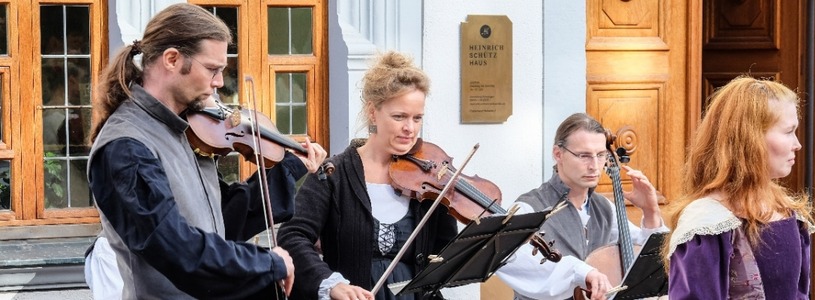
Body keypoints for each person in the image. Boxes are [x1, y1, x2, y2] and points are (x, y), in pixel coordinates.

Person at [84, 3, 327, 299]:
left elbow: (220, 219)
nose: (219, 82)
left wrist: (288, 168)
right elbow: (176, 248)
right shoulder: (126, 146)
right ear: (172, 59)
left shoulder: (185, 129)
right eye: (212, 69)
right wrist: (267, 263)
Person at [277, 51, 459, 300]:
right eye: (399, 117)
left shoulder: (427, 180)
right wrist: (332, 285)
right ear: (373, 113)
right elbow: (293, 236)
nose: (410, 128)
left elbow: (445, 252)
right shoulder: (333, 173)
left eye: (417, 118)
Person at [663, 76, 815, 299]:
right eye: (788, 131)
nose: (797, 144)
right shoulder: (708, 221)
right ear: (750, 138)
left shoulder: (787, 210)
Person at [495, 113, 668, 300]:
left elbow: (645, 259)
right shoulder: (529, 208)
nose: (595, 166)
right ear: (558, 154)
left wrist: (651, 212)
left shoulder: (603, 208)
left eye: (600, 155)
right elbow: (517, 265)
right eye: (584, 155)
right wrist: (581, 272)